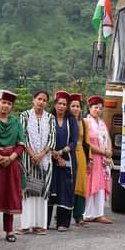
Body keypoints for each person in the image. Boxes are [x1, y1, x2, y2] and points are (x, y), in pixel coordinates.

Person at [0, 90, 25, 243]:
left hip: (11, 163)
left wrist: (10, 158)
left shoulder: (16, 121)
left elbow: (21, 144)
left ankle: (10, 230)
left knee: (10, 195)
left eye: (9, 104)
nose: (6, 106)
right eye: (3, 102)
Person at [19, 90, 55, 235]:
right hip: (28, 160)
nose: (41, 102)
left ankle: (40, 225)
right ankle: (25, 225)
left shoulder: (50, 118)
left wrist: (41, 155)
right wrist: (33, 154)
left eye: (44, 100)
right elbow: (23, 135)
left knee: (41, 191)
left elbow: (52, 139)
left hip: (45, 160)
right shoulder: (25, 115)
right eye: (39, 99)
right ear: (33, 100)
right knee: (29, 190)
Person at [48, 91, 78, 231]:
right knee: (49, 188)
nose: (61, 106)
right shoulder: (48, 118)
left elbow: (74, 142)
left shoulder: (71, 121)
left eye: (64, 104)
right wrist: (54, 153)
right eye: (59, 103)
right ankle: (45, 222)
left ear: (67, 107)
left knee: (65, 189)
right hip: (49, 158)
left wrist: (61, 152)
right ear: (54, 105)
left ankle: (63, 223)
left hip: (67, 159)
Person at [84, 95, 113, 223]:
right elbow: (87, 143)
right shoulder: (86, 122)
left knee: (101, 186)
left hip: (103, 160)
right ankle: (87, 214)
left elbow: (108, 139)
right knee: (90, 184)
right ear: (89, 108)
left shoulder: (102, 123)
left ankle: (99, 214)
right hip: (92, 157)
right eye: (95, 107)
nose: (98, 110)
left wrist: (109, 152)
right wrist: (103, 151)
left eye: (100, 108)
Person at [69, 93, 90, 227]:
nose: (75, 108)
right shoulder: (64, 120)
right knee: (67, 184)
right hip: (68, 154)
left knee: (81, 185)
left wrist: (90, 160)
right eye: (73, 106)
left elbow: (86, 143)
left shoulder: (83, 122)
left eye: (77, 106)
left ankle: (79, 216)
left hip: (81, 155)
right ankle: (61, 215)